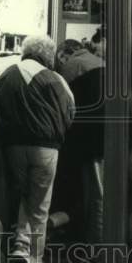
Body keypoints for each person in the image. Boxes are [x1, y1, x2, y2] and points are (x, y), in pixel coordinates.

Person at [0, 34, 75, 263]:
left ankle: (19, 247)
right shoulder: (55, 78)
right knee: (40, 204)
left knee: (20, 196)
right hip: (46, 148)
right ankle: (34, 262)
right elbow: (70, 111)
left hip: (13, 146)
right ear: (47, 55)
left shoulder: (7, 73)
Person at [56, 37, 106, 247]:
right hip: (110, 139)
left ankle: (94, 245)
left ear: (62, 55)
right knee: (103, 191)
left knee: (93, 196)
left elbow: (62, 108)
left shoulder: (71, 67)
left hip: (88, 142)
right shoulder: (100, 62)